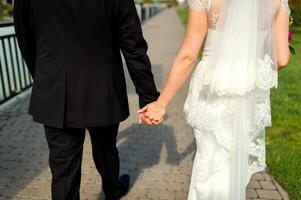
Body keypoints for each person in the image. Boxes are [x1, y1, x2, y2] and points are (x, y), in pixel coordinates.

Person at [139, 0, 291, 199]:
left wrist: (161, 104)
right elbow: (282, 58)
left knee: (209, 165)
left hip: (213, 91)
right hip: (247, 94)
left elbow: (187, 57)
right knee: (232, 168)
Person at [13, 0, 159, 199]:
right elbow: (133, 45)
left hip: (56, 92)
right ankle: (112, 190)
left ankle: (111, 188)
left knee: (63, 169)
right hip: (102, 90)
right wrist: (148, 96)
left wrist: (44, 78)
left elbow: (25, 39)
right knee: (106, 149)